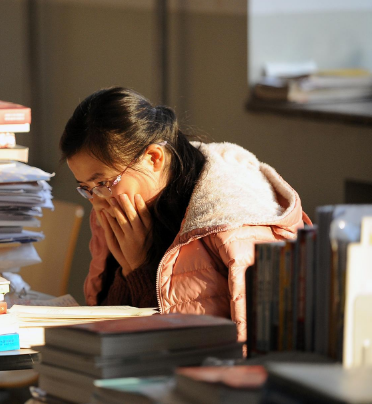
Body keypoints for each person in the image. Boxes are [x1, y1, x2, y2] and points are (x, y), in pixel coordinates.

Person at [60, 87, 310, 340]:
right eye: (86, 189)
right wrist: (128, 273)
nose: (97, 202)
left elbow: (199, 349)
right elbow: (106, 330)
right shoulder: (117, 213)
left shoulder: (233, 223)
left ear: (154, 158)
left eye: (103, 183)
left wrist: (140, 267)